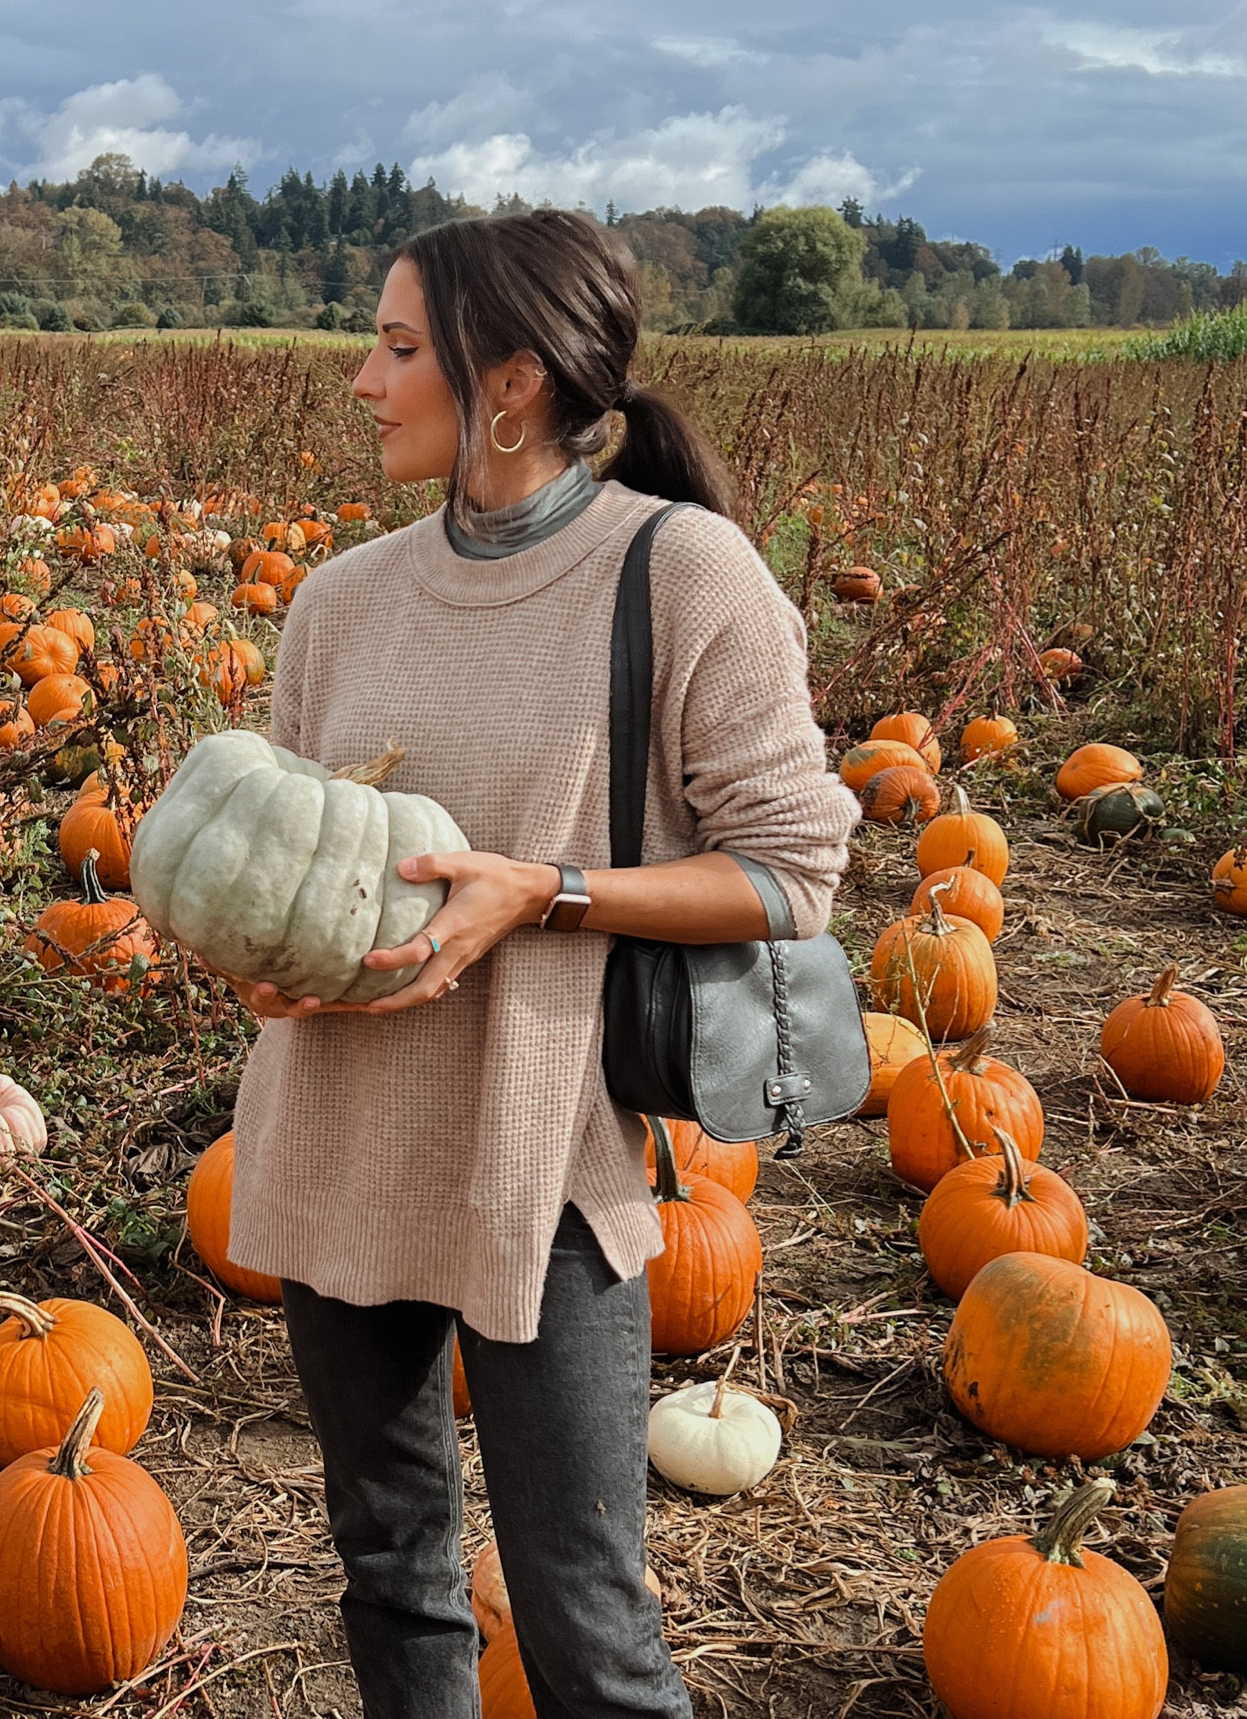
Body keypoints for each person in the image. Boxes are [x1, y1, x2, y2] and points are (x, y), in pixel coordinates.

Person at [225, 209, 860, 1718]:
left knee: (586, 1624)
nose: (362, 381)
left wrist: (544, 893)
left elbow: (793, 871)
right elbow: (292, 862)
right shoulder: (338, 602)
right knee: (389, 1565)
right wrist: (262, 960)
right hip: (336, 1132)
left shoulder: (679, 570)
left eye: (397, 348)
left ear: (510, 381)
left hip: (544, 1152)